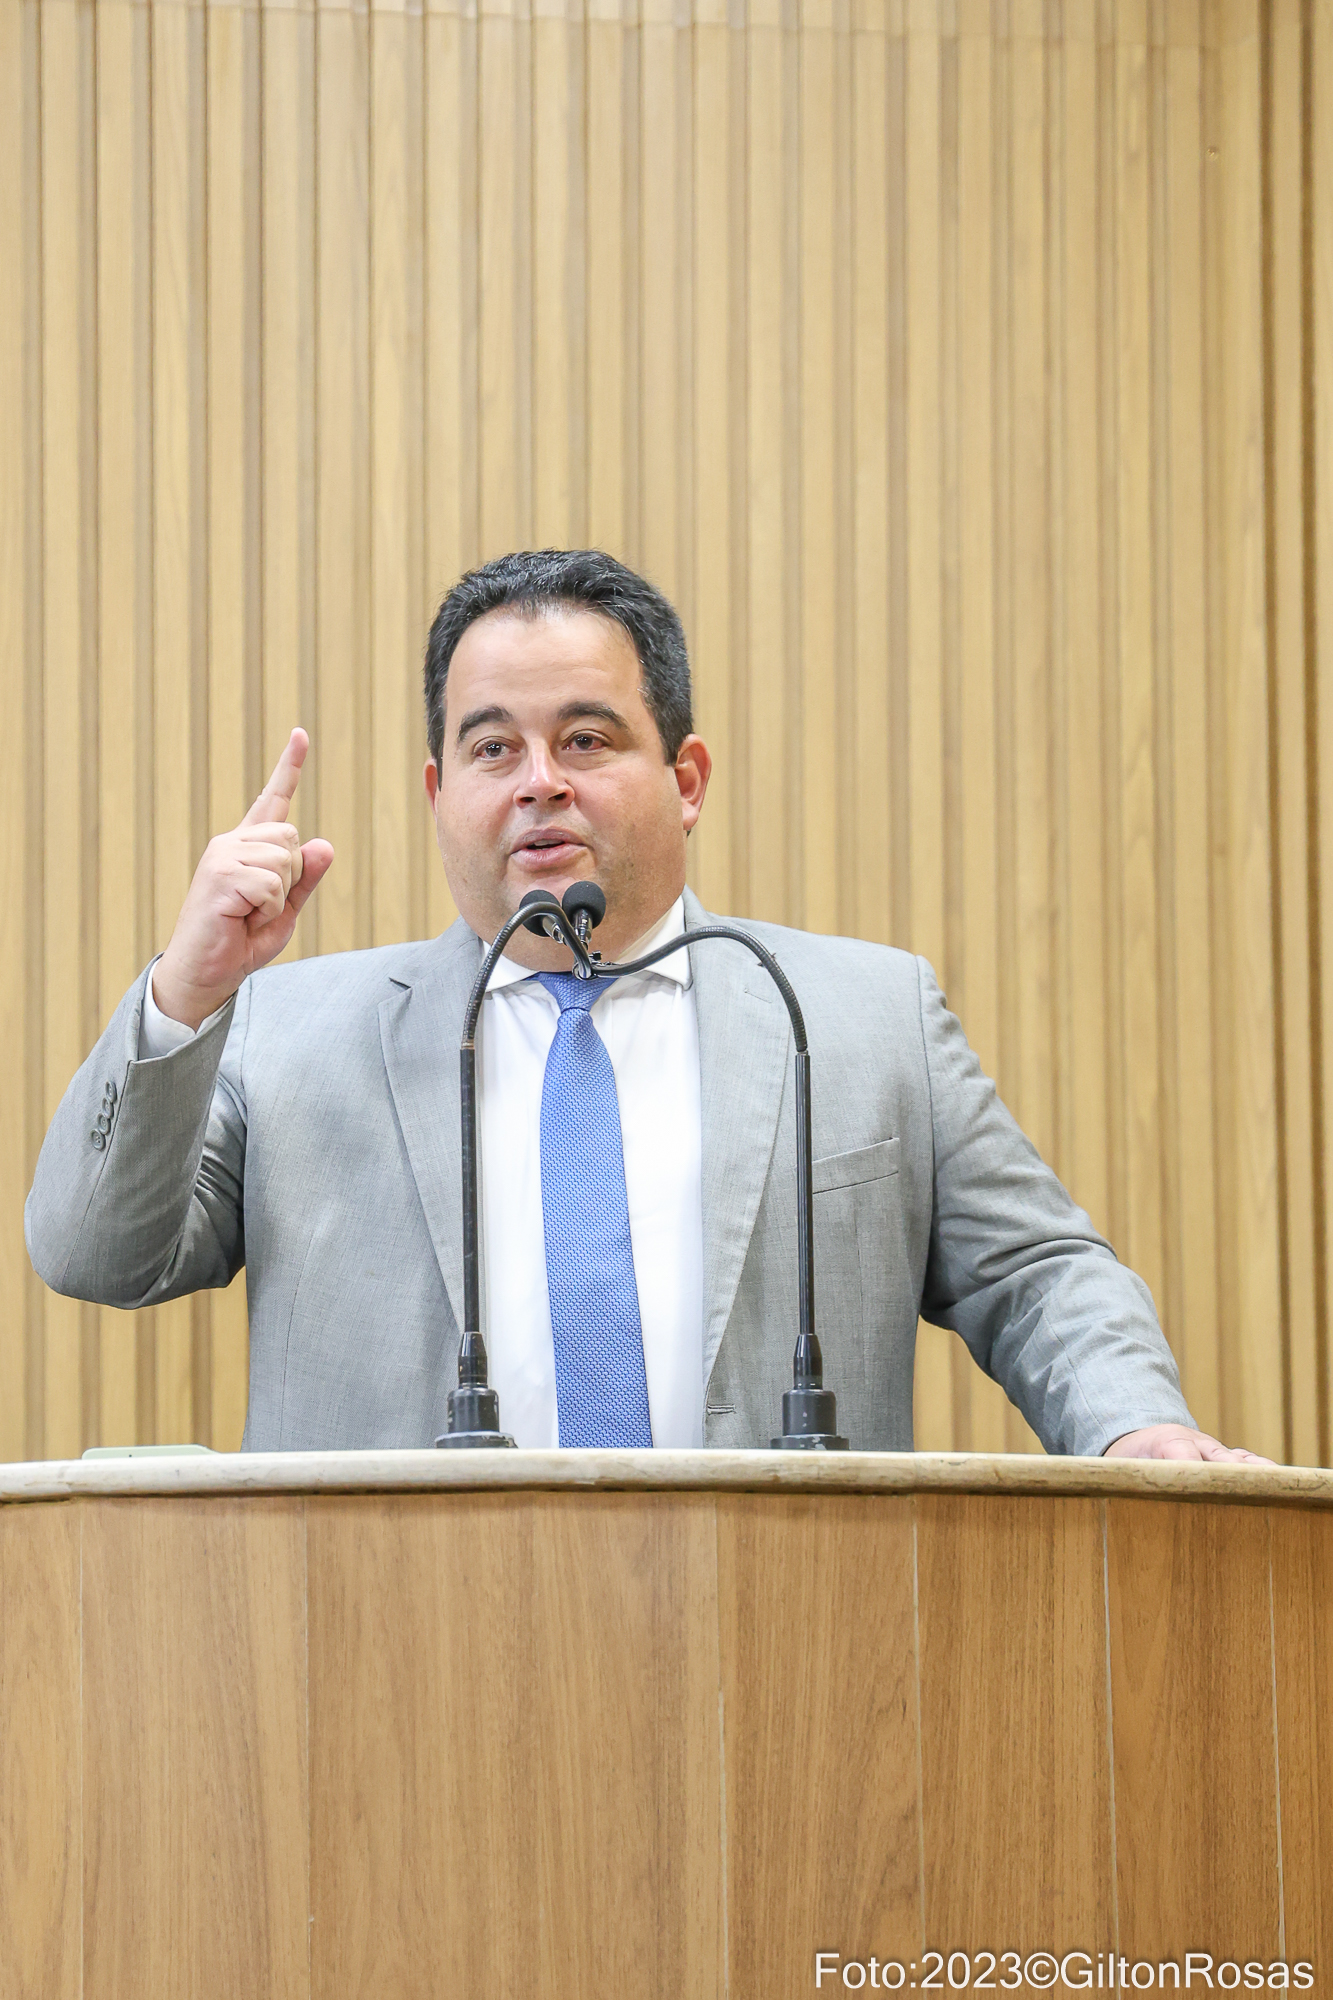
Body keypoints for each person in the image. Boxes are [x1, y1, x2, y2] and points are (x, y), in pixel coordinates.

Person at [26, 549, 1266, 1461]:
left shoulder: (859, 1015)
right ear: (438, 793)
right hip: (392, 1671)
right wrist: (186, 990)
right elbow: (93, 1254)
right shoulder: (288, 1033)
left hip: (772, 1663)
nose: (538, 783)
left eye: (586, 739)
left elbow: (1035, 1269)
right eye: (493, 748)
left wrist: (1133, 1423)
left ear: (686, 778)